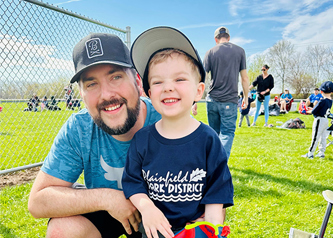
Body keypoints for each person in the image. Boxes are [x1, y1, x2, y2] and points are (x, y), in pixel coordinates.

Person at [28, 33, 162, 238]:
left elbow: (209, 197)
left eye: (116, 77)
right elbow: (38, 202)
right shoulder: (79, 128)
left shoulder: (166, 120)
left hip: (165, 211)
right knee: (63, 231)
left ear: (137, 81)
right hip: (111, 211)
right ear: (81, 94)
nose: (106, 95)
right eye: (91, 84)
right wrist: (107, 198)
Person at [123, 26, 233, 238]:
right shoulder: (142, 140)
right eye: (157, 82)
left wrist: (211, 230)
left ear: (198, 91)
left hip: (194, 230)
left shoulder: (208, 140)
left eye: (179, 79)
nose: (168, 87)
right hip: (154, 230)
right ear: (148, 93)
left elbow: (216, 193)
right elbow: (133, 183)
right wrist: (147, 208)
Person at [193, 26, 249, 159]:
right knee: (227, 133)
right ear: (228, 38)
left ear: (216, 39)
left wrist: (194, 100)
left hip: (212, 100)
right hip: (229, 100)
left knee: (214, 134)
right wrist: (246, 97)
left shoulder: (210, 52)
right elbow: (244, 78)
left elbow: (202, 78)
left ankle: (213, 163)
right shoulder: (240, 51)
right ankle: (219, 166)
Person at [301, 81, 333, 159]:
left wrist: (306, 111)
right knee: (323, 137)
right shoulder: (330, 101)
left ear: (321, 91)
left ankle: (310, 153)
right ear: (332, 91)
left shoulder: (322, 100)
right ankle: (321, 153)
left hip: (319, 120)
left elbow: (314, 111)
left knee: (315, 137)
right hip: (325, 120)